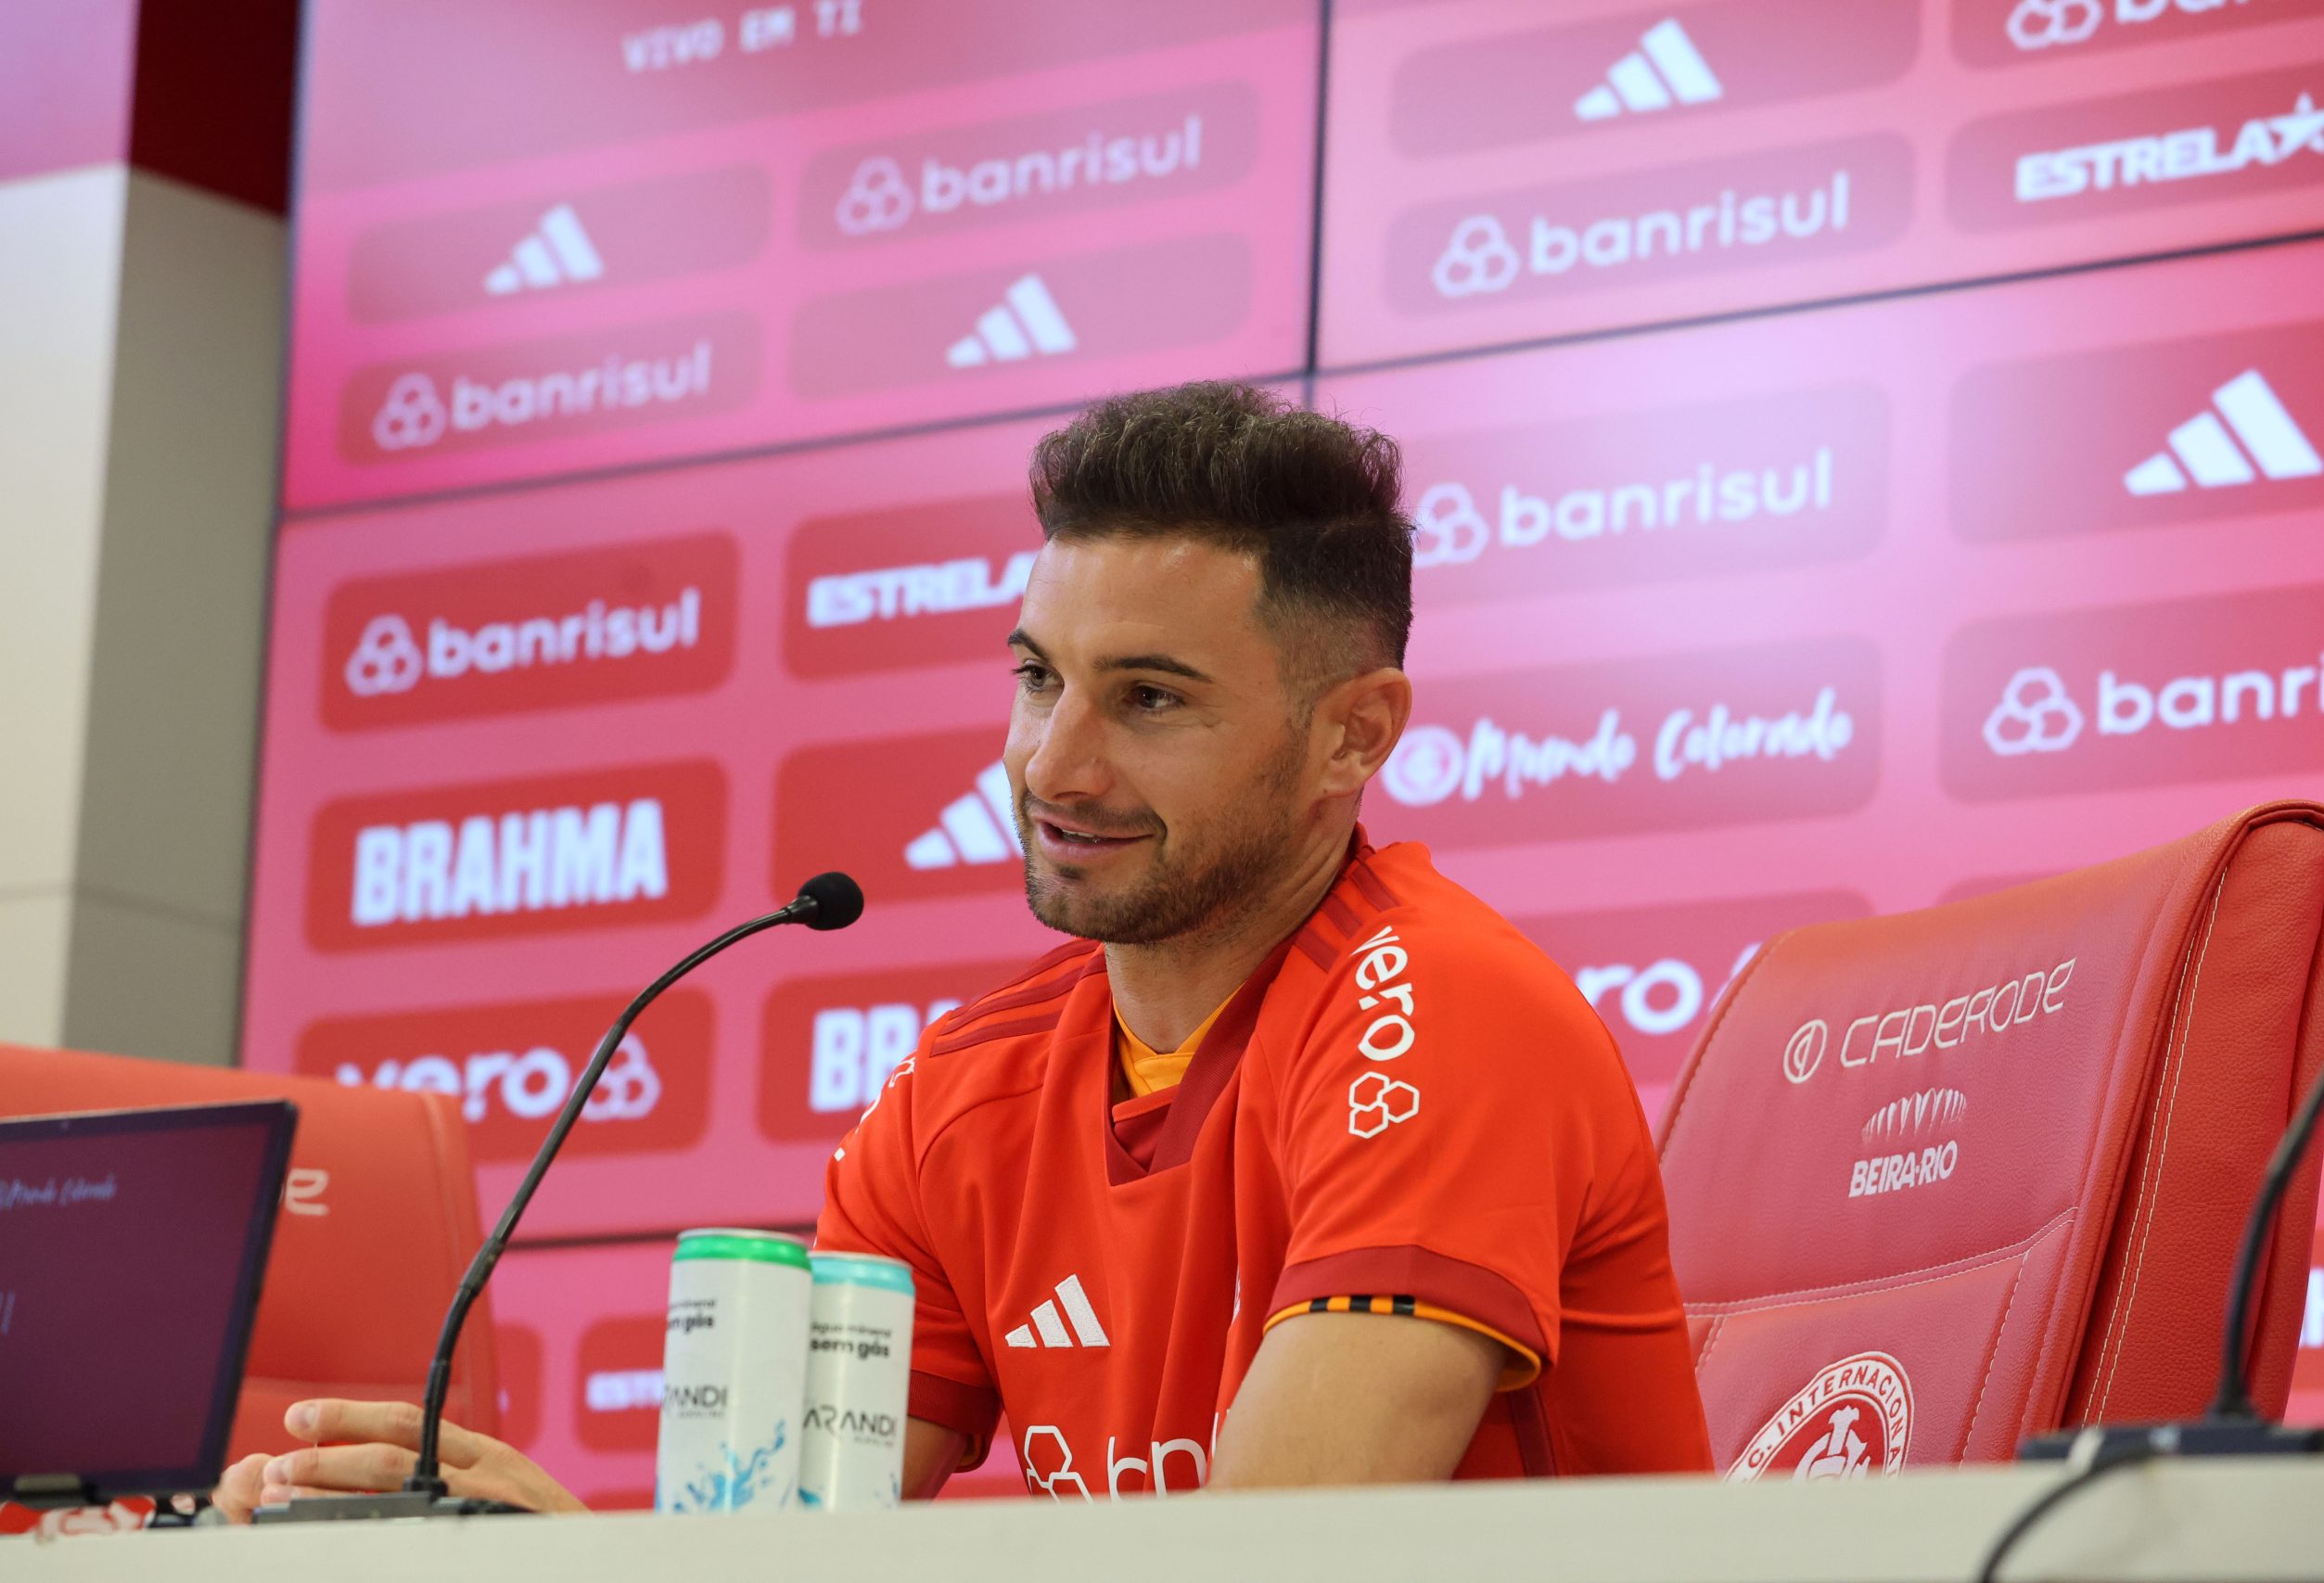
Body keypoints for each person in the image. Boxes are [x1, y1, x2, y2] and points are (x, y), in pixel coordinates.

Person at [213, 381, 1712, 1517]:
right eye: (1038, 677)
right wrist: (564, 1546)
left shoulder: (1438, 1008)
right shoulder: (958, 1092)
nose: (1053, 766)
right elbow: (795, 1542)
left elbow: (1269, 1562)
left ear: (1352, 735)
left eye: (1150, 700)